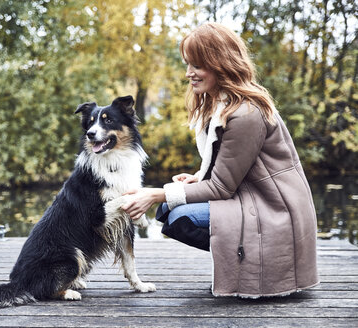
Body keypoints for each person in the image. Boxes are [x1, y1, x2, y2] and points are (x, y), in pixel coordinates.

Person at [122, 22, 319, 298]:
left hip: (274, 210)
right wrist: (197, 178)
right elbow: (226, 172)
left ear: (220, 64)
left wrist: (152, 194)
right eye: (187, 64)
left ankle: (253, 265)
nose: (189, 73)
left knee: (179, 214)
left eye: (197, 65)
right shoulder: (220, 105)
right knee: (168, 210)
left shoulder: (247, 114)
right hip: (251, 198)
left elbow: (222, 188)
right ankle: (242, 259)